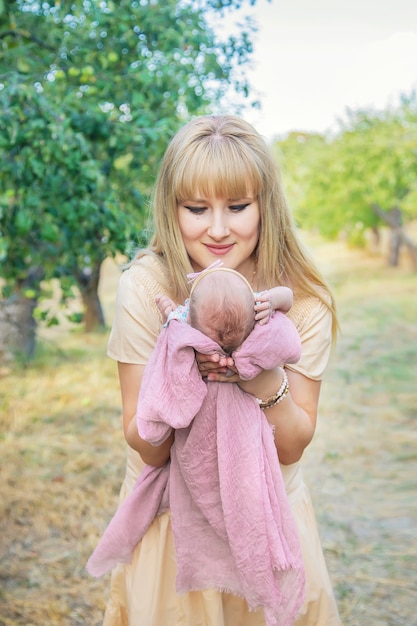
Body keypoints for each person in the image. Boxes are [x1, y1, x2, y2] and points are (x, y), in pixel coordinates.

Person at [102, 115, 341, 626]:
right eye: (196, 208)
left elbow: (294, 445)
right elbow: (144, 443)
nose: (216, 228)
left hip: (268, 524)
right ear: (172, 208)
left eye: (237, 207)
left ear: (266, 205)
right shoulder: (147, 289)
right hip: (173, 532)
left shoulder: (303, 303)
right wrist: (181, 375)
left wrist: (262, 380)